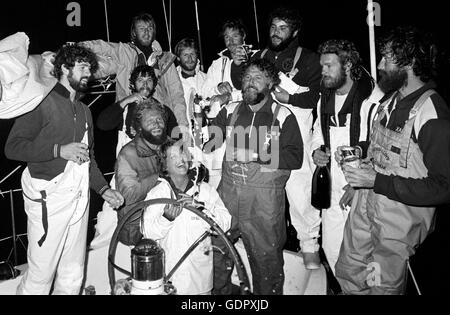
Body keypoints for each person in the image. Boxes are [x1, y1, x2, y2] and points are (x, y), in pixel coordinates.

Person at [335, 26, 450, 294]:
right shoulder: (389, 102)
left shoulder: (432, 115)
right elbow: (380, 156)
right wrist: (359, 173)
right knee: (350, 271)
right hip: (366, 208)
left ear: (408, 62)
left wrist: (375, 181)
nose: (381, 65)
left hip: (397, 225)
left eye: (387, 58)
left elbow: (444, 187)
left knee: (381, 286)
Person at [4, 44, 124, 295]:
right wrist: (59, 150)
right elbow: (12, 148)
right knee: (40, 277)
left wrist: (103, 190)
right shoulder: (41, 101)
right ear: (64, 68)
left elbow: (87, 159)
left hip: (78, 200)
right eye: (82, 67)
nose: (88, 74)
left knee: (73, 274)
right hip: (49, 200)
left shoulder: (85, 111)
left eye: (90, 69)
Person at [209, 59, 303, 295]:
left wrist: (258, 154)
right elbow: (210, 142)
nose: (250, 83)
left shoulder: (283, 115)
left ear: (270, 83)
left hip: (263, 203)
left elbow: (295, 157)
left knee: (266, 260)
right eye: (247, 78)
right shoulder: (229, 110)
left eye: (257, 78)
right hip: (228, 195)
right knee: (216, 248)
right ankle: (220, 294)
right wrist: (207, 117)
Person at [252, 6, 322, 269]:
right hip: (265, 130)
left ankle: (309, 245)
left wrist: (290, 98)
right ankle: (267, 245)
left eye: (282, 28)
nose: (276, 32)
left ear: (294, 31)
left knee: (299, 188)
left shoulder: (309, 59)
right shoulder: (260, 56)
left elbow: (318, 96)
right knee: (265, 189)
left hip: (297, 132)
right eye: (273, 27)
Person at [310, 39, 383, 274]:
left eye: (329, 66)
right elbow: (318, 132)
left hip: (362, 186)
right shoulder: (326, 94)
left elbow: (378, 145)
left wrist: (359, 186)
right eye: (322, 66)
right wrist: (316, 151)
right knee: (331, 246)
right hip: (333, 184)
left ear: (348, 65)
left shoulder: (371, 97)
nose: (323, 71)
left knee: (362, 250)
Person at [81, 12, 189, 150]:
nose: (146, 32)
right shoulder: (124, 52)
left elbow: (177, 95)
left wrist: (182, 130)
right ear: (134, 32)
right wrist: (75, 50)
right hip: (129, 127)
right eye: (142, 28)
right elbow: (102, 47)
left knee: (160, 168)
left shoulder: (165, 60)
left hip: (159, 125)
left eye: (150, 28)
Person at [141, 139, 231, 295]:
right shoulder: (157, 194)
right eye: (173, 156)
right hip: (169, 280)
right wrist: (166, 218)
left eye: (183, 153)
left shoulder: (205, 191)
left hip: (201, 281)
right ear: (164, 166)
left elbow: (224, 224)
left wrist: (200, 207)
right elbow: (147, 232)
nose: (181, 159)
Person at [200, 19, 255, 189]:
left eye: (235, 36)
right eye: (226, 37)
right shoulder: (218, 64)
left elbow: (259, 92)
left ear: (243, 36)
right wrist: (217, 89)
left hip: (250, 126)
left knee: (247, 176)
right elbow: (204, 93)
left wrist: (230, 96)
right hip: (222, 129)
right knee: (217, 177)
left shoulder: (257, 58)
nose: (230, 41)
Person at [114, 99, 169, 246]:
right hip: (138, 228)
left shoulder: (171, 146)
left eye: (159, 119)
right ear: (139, 127)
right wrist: (161, 176)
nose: (156, 124)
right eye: (150, 121)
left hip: (167, 217)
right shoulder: (128, 154)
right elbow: (128, 196)